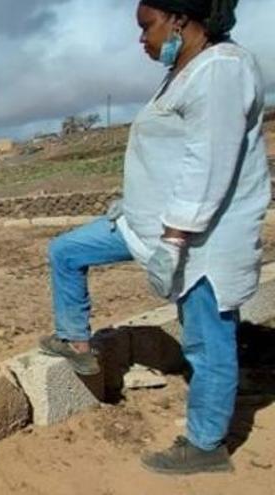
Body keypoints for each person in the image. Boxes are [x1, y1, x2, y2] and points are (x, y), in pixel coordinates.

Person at [40, 0, 269, 475]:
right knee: (66, 251)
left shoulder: (221, 71)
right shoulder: (184, 72)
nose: (141, 39)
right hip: (149, 225)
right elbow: (169, 153)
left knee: (207, 338)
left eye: (146, 27)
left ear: (179, 19)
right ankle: (77, 345)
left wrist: (173, 241)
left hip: (198, 238)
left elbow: (209, 163)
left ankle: (206, 445)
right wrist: (137, 201)